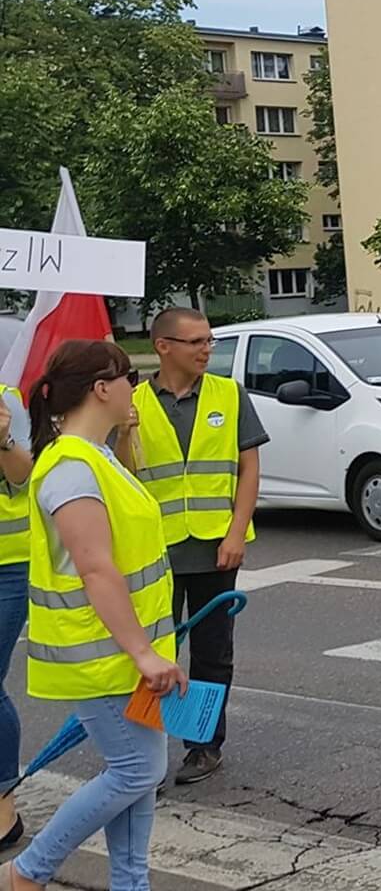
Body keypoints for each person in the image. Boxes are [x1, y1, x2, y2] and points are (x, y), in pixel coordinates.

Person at [4, 340, 188, 891]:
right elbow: (95, 568)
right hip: (104, 653)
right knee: (138, 770)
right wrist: (143, 653)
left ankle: (130, 884)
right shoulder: (70, 467)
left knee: (137, 773)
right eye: (129, 376)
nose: (136, 385)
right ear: (101, 389)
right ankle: (27, 872)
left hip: (123, 647)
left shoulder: (95, 455)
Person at [131, 307, 266, 786]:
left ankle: (203, 745)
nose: (207, 349)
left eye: (209, 340)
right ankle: (144, 755)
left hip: (214, 546)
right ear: (163, 347)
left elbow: (248, 468)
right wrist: (124, 430)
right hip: (154, 552)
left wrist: (236, 532)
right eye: (196, 342)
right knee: (153, 653)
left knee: (213, 653)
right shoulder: (133, 403)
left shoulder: (229, 394)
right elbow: (123, 474)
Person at [0, 380, 31, 847]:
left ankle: (5, 802)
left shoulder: (7, 399)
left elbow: (24, 476)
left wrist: (3, 439)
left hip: (7, 565)